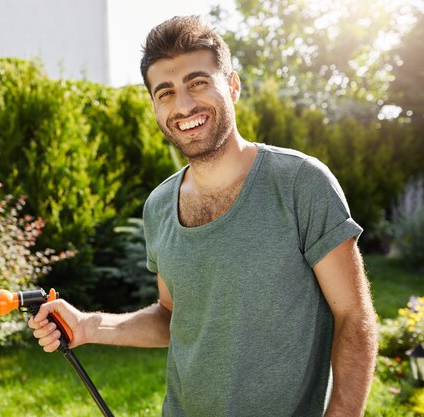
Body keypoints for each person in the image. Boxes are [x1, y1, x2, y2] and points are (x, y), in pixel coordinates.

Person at [28, 15, 377, 417]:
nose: (184, 105)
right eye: (166, 92)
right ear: (155, 107)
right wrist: (88, 326)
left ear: (232, 85)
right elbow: (170, 317)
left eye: (198, 82)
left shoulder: (300, 183)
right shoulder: (160, 205)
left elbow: (354, 315)